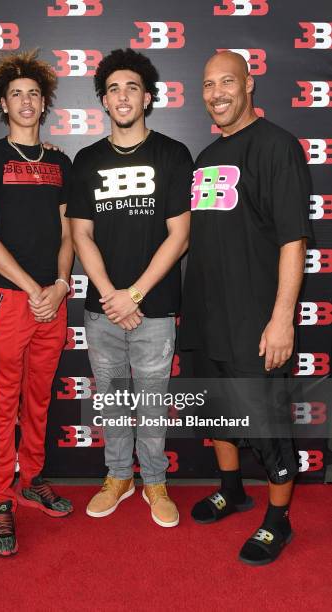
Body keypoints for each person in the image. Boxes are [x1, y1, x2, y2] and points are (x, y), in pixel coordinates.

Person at [179, 51, 312, 565]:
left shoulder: (277, 146)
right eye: (208, 84)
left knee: (268, 422)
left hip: (255, 321)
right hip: (208, 315)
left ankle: (279, 519)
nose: (217, 93)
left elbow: (292, 241)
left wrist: (282, 319)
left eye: (227, 82)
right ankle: (232, 489)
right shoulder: (207, 155)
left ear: (249, 84)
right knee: (216, 412)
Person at [67, 48, 192, 527]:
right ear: (102, 99)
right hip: (103, 310)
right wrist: (111, 296)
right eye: (114, 88)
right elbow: (81, 234)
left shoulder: (172, 154)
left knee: (152, 401)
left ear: (148, 98)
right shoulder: (87, 159)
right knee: (114, 399)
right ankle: (118, 477)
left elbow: (180, 235)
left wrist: (134, 295)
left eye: (132, 87)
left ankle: (155, 482)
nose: (123, 96)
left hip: (153, 309)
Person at [0, 50, 74, 558]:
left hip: (53, 300)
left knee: (39, 399)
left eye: (34, 93)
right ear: (3, 104)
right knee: (3, 403)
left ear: (44, 102)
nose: (26, 101)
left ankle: (31, 478)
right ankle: (0, 497)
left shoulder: (59, 161)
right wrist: (33, 290)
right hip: (10, 302)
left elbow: (68, 232)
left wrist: (58, 283)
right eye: (17, 95)